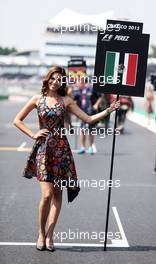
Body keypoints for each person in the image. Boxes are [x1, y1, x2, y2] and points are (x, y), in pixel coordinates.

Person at [12, 66, 120, 252]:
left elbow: (88, 119)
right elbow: (17, 120)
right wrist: (33, 134)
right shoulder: (37, 99)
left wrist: (109, 110)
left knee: (57, 195)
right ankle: (40, 232)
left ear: (62, 83)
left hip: (62, 151)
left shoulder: (66, 100)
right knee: (46, 195)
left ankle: (50, 235)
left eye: (59, 80)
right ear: (48, 79)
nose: (55, 82)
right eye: (53, 78)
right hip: (43, 150)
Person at [73, 78, 102, 154]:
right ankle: (82, 147)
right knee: (82, 130)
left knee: (91, 130)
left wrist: (96, 105)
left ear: (82, 83)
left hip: (91, 113)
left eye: (78, 83)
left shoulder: (91, 89)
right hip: (83, 113)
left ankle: (91, 147)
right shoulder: (77, 91)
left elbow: (100, 96)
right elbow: (74, 100)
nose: (77, 85)